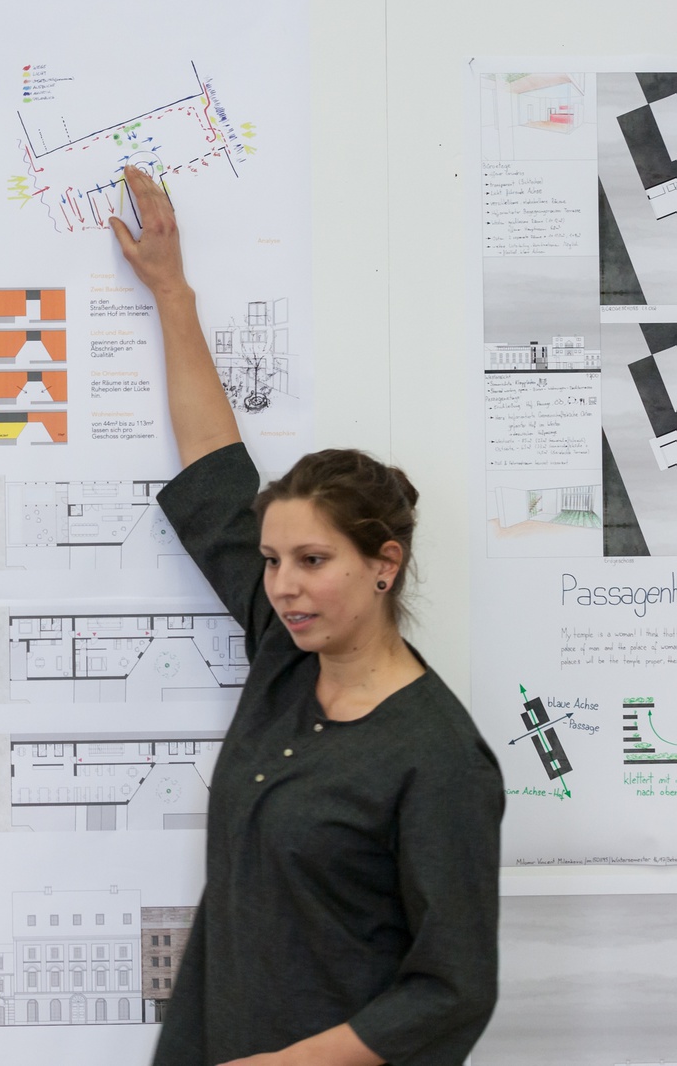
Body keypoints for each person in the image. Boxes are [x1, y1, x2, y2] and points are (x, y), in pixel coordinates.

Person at [107, 165, 503, 1066]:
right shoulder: (285, 660)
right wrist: (171, 292)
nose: (283, 586)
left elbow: (453, 989)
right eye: (274, 561)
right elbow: (213, 467)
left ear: (383, 565)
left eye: (313, 562)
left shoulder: (437, 757)